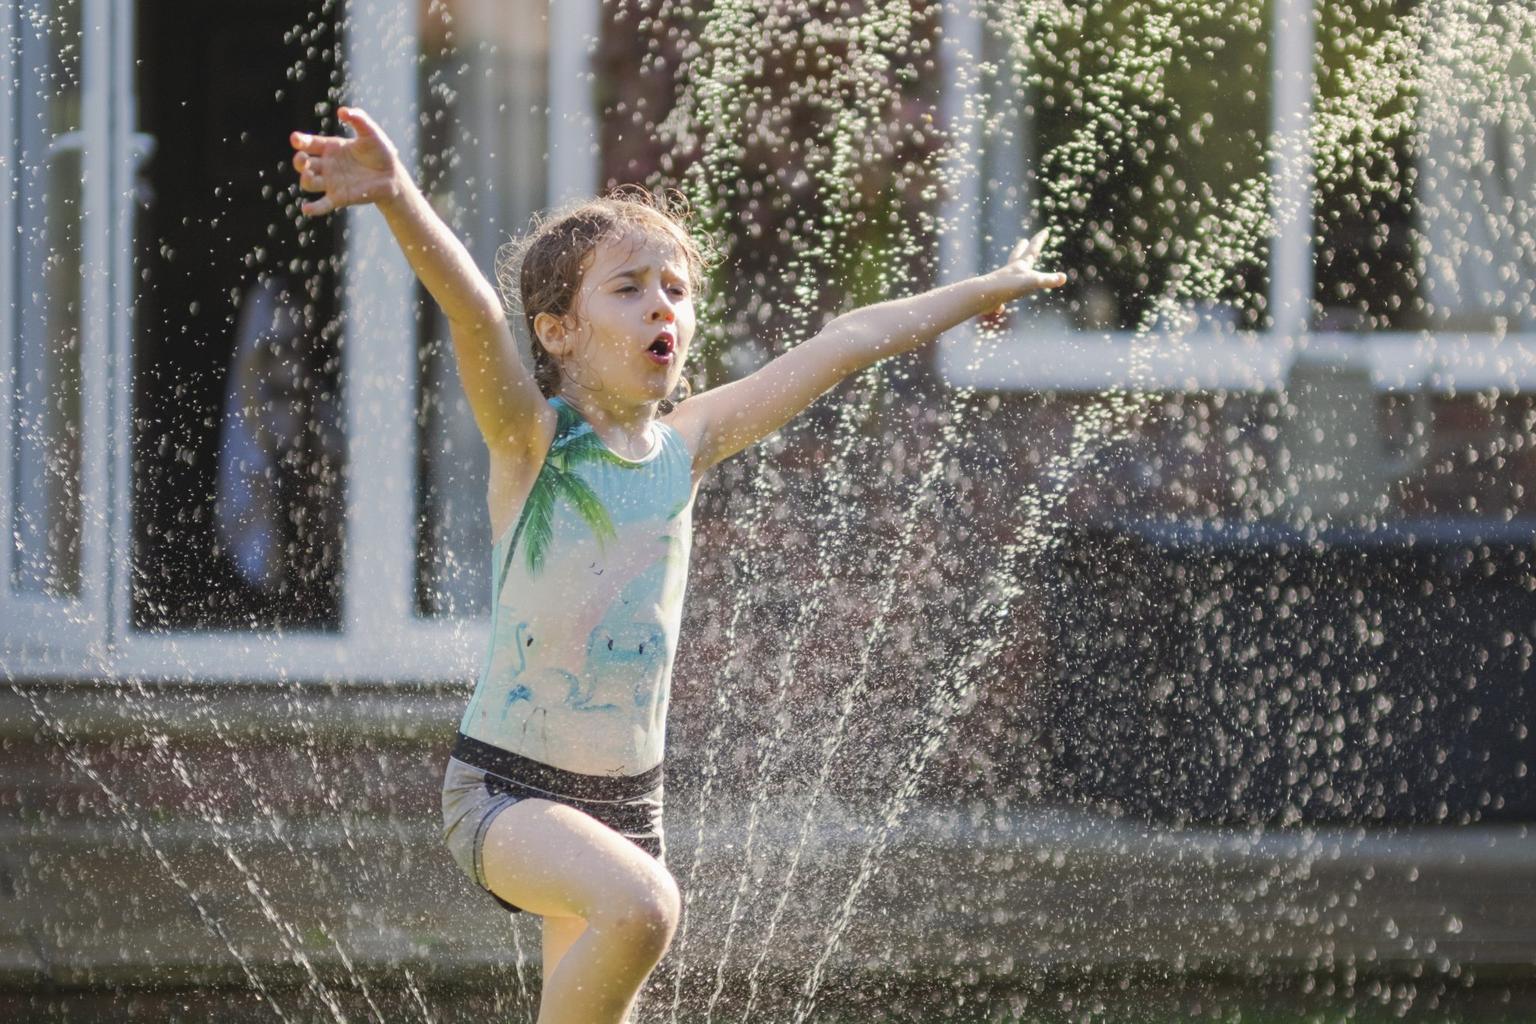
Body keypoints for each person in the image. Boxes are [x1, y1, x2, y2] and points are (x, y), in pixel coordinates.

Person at [289, 105, 1065, 1024]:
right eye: (628, 287)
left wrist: (975, 293)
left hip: (626, 801)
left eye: (677, 288)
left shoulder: (687, 445)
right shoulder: (531, 445)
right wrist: (396, 195)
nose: (663, 302)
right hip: (505, 790)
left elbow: (850, 340)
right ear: (558, 332)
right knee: (647, 908)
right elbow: (474, 311)